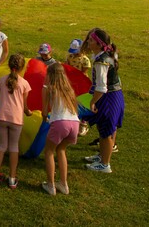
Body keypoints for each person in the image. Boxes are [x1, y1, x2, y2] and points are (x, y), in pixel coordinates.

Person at [83, 28, 124, 173]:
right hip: (115, 94)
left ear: (99, 44)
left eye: (91, 40)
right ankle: (102, 156)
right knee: (107, 127)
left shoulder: (101, 61)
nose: (88, 41)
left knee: (106, 130)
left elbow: (101, 87)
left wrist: (92, 101)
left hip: (108, 97)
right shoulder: (109, 54)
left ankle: (105, 164)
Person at [0, 54, 32, 189]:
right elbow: (25, 106)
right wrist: (29, 112)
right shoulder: (24, 84)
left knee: (2, 146)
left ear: (9, 66)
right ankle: (12, 178)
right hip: (16, 119)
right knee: (14, 147)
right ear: (22, 68)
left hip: (1, 117)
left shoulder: (2, 80)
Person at [41, 63, 80, 195]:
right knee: (61, 150)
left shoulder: (48, 88)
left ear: (50, 75)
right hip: (74, 124)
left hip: (60, 123)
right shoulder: (69, 90)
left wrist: (44, 118)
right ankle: (64, 184)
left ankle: (50, 185)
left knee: (49, 152)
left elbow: (45, 111)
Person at [66, 38, 91, 136]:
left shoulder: (85, 60)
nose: (75, 54)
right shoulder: (70, 57)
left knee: (82, 102)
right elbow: (67, 67)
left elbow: (84, 73)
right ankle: (73, 122)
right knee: (71, 101)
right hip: (71, 82)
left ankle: (83, 123)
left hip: (81, 84)